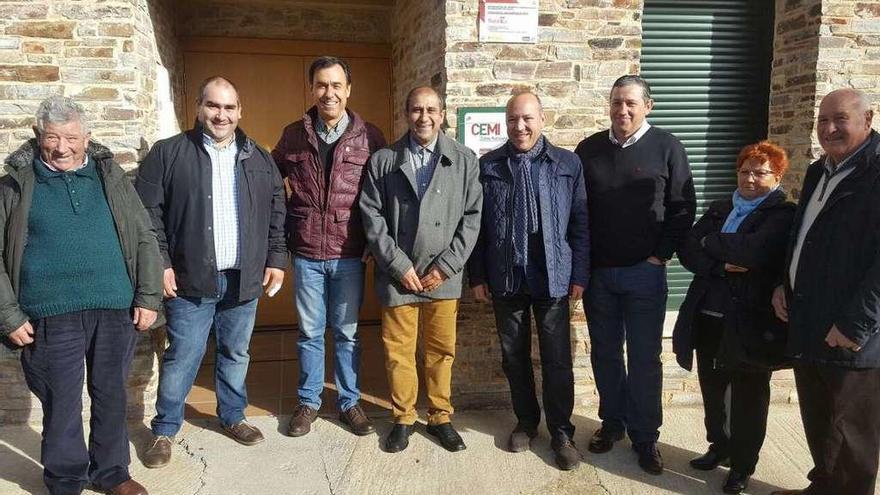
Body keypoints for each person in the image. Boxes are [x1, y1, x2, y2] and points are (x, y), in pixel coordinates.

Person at [1, 96, 162, 495]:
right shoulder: (16, 183)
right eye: (52, 137)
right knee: (62, 402)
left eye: (71, 137)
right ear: (39, 136)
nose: (62, 147)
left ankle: (112, 473)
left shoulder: (111, 176)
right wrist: (9, 315)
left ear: (87, 137)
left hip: (114, 307)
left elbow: (143, 235)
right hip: (49, 313)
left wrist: (148, 296)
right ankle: (66, 479)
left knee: (110, 394)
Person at [136, 76, 287, 468]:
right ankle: (165, 428)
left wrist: (276, 258)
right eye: (213, 106)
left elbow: (276, 213)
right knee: (183, 355)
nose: (221, 115)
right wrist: (162, 265)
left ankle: (233, 416)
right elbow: (147, 215)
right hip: (190, 279)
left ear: (240, 111)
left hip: (243, 277)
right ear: (199, 108)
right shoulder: (168, 153)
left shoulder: (258, 156)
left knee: (236, 352)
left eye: (229, 107)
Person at [575, 74, 696, 474]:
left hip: (645, 274)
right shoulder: (588, 149)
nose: (622, 110)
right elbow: (578, 212)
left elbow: (682, 207)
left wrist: (661, 256)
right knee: (606, 354)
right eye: (615, 103)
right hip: (599, 277)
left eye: (630, 103)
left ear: (648, 105)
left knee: (644, 358)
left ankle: (646, 437)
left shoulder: (667, 147)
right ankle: (613, 424)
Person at [467, 92, 589, 470]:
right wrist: (478, 276)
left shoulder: (568, 164)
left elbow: (581, 223)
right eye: (512, 119)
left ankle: (562, 431)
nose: (519, 127)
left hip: (553, 275)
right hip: (507, 276)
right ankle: (526, 421)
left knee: (557, 360)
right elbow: (477, 227)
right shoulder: (488, 165)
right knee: (513, 357)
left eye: (527, 119)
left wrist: (580, 274)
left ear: (542, 118)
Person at [360, 86, 482, 453]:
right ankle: (403, 418)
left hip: (443, 277)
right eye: (416, 110)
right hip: (399, 276)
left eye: (431, 110)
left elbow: (473, 217)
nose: (424, 117)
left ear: (442, 114)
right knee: (399, 351)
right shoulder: (384, 160)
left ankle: (441, 416)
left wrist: (447, 266)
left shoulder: (464, 160)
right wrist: (397, 265)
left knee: (441, 350)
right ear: (406, 114)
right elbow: (371, 216)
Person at [770, 88, 880, 495]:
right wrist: (784, 283)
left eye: (840, 119)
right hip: (810, 321)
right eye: (823, 120)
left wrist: (855, 325)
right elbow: (803, 235)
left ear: (868, 120)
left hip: (853, 335)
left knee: (853, 438)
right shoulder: (821, 171)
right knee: (820, 423)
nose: (829, 128)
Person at [272, 56, 385, 438]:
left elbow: (382, 195)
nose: (329, 93)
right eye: (322, 85)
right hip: (306, 252)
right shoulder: (293, 135)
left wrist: (374, 239)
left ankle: (350, 402)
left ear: (348, 90)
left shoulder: (370, 136)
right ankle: (309, 401)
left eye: (336, 85)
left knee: (348, 332)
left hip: (349, 253)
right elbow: (271, 185)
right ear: (312, 89)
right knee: (309, 332)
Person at [673, 141, 795, 494]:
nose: (751, 178)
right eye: (745, 171)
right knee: (712, 390)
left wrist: (712, 244)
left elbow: (754, 252)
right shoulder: (720, 207)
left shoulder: (782, 214)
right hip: (708, 315)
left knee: (749, 398)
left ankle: (742, 466)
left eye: (760, 172)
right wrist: (721, 262)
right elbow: (689, 249)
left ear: (777, 175)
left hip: (748, 322)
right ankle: (719, 446)